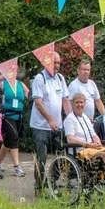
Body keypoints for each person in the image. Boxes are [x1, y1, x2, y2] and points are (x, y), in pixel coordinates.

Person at [30, 52, 71, 194]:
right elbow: (38, 104)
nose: (56, 65)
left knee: (61, 156)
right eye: (54, 62)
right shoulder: (39, 79)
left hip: (57, 126)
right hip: (41, 126)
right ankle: (39, 188)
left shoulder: (60, 78)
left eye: (58, 62)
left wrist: (71, 118)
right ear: (46, 63)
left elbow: (65, 100)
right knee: (41, 158)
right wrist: (50, 120)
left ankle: (52, 182)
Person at [64, 92, 105, 177]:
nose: (79, 104)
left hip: (91, 148)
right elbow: (70, 139)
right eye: (77, 102)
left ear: (84, 103)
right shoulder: (69, 119)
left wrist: (97, 141)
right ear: (72, 104)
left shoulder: (85, 117)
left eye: (81, 102)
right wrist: (88, 144)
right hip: (79, 150)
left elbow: (93, 134)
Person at [0, 76, 29, 177]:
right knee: (14, 138)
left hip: (18, 115)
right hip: (6, 115)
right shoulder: (3, 83)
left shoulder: (20, 84)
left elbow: (29, 94)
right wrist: (3, 74)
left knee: (8, 141)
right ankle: (17, 167)